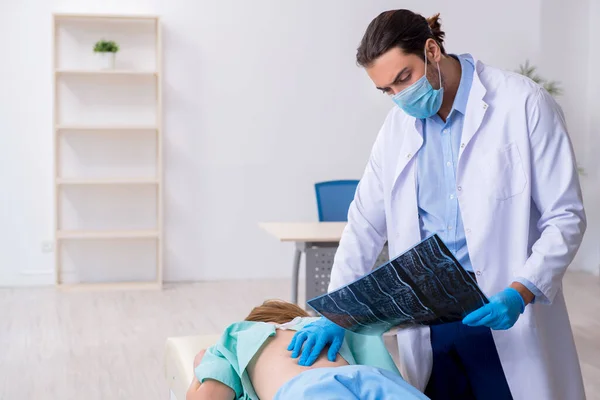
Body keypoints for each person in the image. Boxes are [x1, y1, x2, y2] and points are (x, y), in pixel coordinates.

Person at [289, 9, 586, 400]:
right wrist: (337, 313)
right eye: (387, 90)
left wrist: (521, 291)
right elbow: (365, 225)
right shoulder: (396, 130)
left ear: (431, 50)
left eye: (404, 78)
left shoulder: (522, 103)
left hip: (503, 308)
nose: (400, 97)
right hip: (430, 321)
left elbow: (565, 217)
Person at [185, 300, 428, 400]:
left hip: (306, 391)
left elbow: (208, 397)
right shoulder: (326, 325)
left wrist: (202, 367)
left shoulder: (236, 336)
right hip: (370, 377)